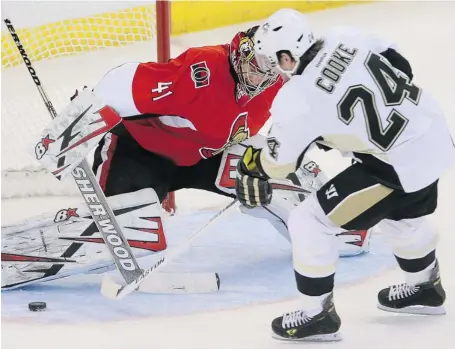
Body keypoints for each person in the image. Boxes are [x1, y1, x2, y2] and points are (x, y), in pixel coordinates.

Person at [2, 26, 370, 289]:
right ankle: (13, 255)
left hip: (209, 153)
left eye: (275, 67)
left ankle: (332, 224)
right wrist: (73, 126)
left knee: (276, 177)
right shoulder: (202, 71)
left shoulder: (283, 82)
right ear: (245, 49)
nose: (264, 75)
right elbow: (122, 82)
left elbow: (310, 119)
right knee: (134, 234)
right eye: (259, 63)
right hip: (140, 153)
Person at [235, 8, 455, 342]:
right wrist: (350, 126)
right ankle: (425, 289)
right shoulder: (343, 36)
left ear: (286, 56)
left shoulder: (296, 99)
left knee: (309, 221)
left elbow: (279, 162)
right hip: (432, 132)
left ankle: (316, 315)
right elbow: (399, 63)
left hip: (396, 165)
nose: (270, 70)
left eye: (271, 61)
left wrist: (253, 164)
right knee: (400, 217)